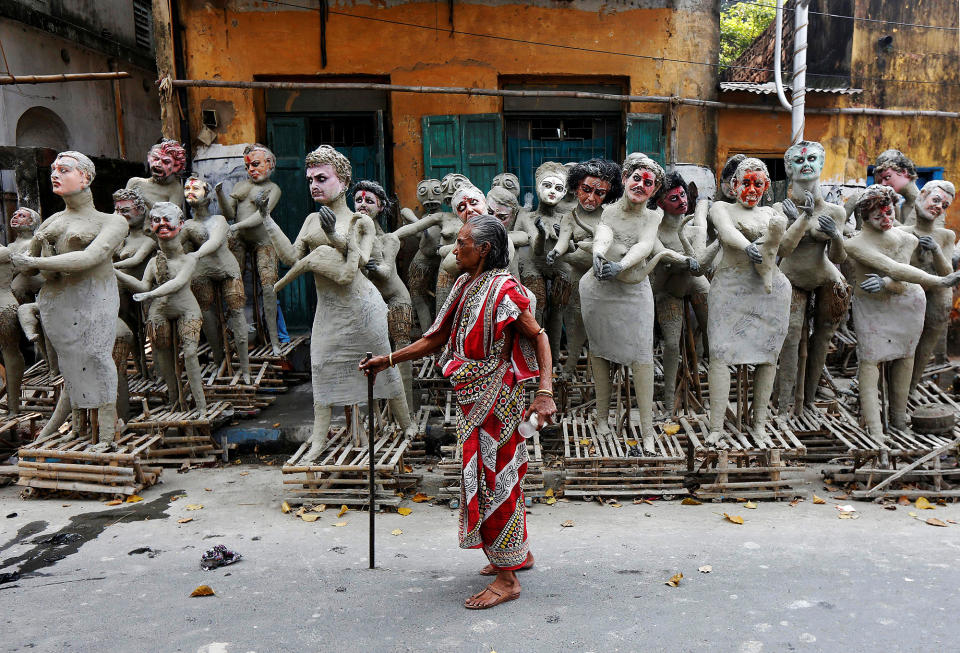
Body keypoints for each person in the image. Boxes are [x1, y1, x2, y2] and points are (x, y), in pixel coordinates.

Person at [360, 211, 557, 610]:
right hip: (473, 400)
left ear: (483, 249)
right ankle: (518, 554)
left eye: (463, 243)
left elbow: (539, 336)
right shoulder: (466, 284)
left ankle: (507, 579)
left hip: (501, 403)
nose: (455, 248)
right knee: (492, 478)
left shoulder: (505, 291)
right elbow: (436, 338)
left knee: (495, 480)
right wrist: (389, 359)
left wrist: (545, 392)